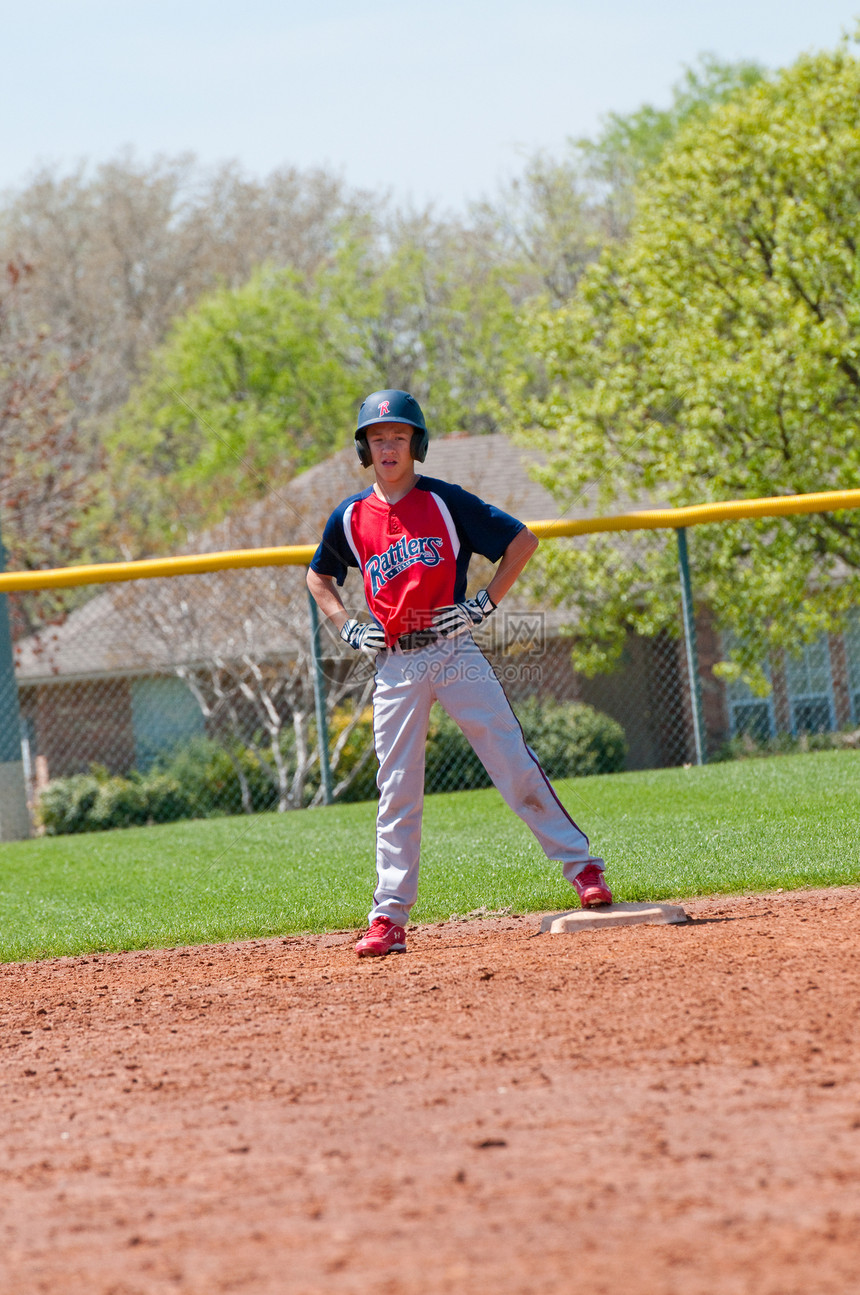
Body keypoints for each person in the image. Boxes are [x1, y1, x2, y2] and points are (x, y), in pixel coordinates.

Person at [306, 389, 613, 958]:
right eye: (377, 438)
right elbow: (319, 577)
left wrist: (484, 603)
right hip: (395, 661)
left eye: (398, 436)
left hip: (452, 648)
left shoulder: (445, 502)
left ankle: (583, 868)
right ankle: (389, 917)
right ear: (364, 449)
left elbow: (522, 541)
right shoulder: (350, 518)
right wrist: (346, 626)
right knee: (397, 787)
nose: (388, 446)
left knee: (509, 757)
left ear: (416, 444)